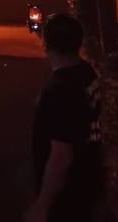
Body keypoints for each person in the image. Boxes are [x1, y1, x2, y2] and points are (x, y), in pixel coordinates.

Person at [26, 14, 103, 222]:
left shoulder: (59, 90)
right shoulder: (86, 72)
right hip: (89, 177)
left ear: (46, 44)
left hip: (67, 192)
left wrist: (42, 205)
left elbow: (61, 155)